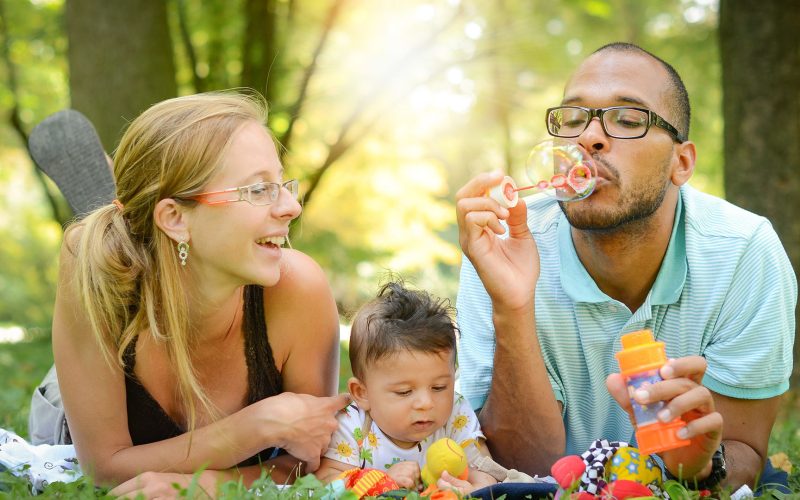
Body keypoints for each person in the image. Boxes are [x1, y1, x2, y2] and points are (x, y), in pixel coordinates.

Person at [455, 42, 796, 492]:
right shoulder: (501, 247)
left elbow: (744, 452)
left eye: (628, 119)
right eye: (574, 118)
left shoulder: (743, 253)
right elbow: (524, 468)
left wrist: (697, 465)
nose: (588, 138)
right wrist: (512, 305)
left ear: (682, 162)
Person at [49, 91, 349, 498]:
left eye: (283, 184)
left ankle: (124, 215)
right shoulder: (88, 274)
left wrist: (207, 484)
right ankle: (112, 223)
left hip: (159, 250)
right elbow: (103, 468)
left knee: (111, 252)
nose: (292, 207)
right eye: (259, 190)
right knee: (91, 255)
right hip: (71, 408)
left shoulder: (297, 289)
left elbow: (310, 461)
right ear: (175, 217)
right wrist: (253, 428)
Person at [315, 281, 497, 494]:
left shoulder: (456, 416)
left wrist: (470, 490)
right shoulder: (352, 425)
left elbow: (486, 473)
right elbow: (326, 483)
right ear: (362, 393)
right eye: (405, 392)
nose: (426, 403)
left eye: (439, 387)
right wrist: (381, 481)